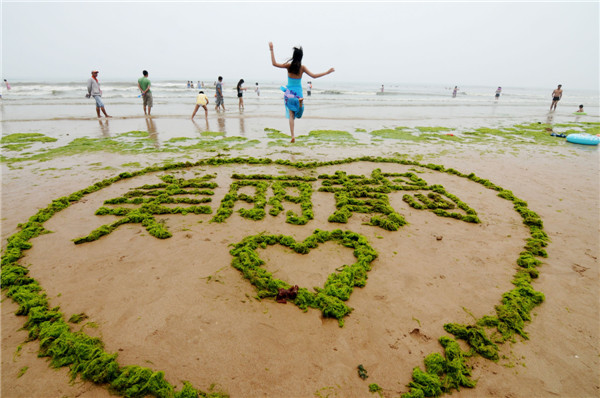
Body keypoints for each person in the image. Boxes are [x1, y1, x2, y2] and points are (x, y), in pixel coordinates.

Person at [269, 41, 334, 143]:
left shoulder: (289, 66)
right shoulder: (302, 68)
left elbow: (274, 63)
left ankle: (293, 136)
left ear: (293, 56)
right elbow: (314, 76)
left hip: (289, 93)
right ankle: (300, 103)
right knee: (299, 113)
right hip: (298, 93)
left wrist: (271, 49)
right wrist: (327, 72)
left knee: (291, 115)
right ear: (301, 57)